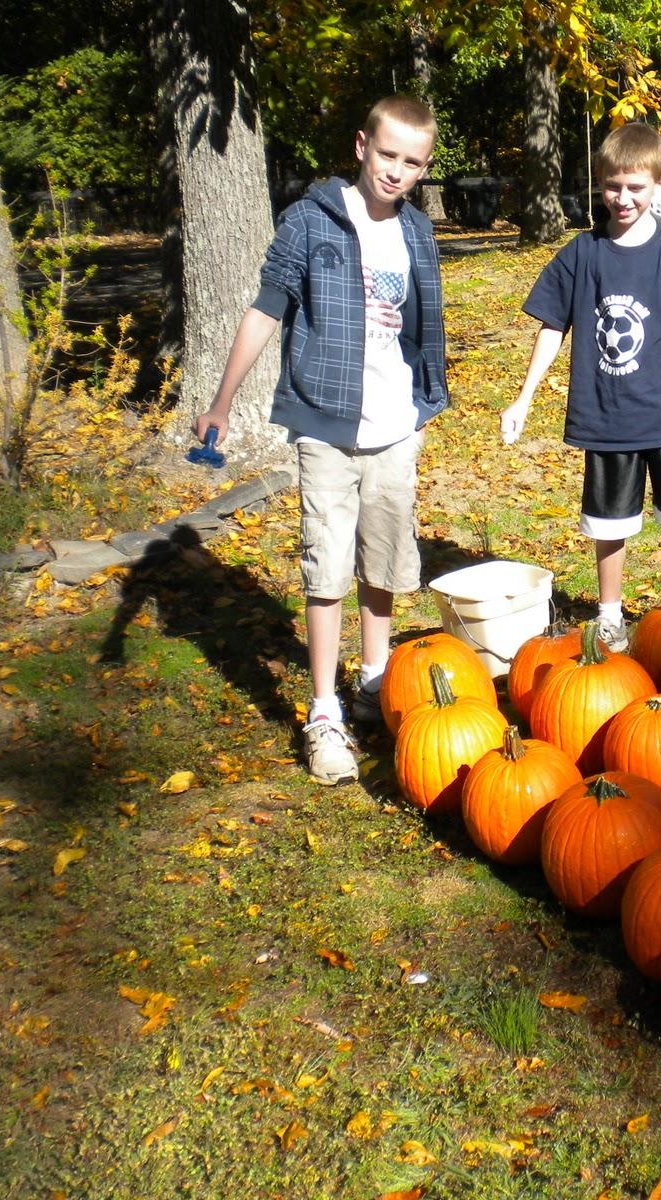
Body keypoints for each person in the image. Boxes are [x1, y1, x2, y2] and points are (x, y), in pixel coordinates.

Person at [193, 95, 446, 785]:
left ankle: (373, 680)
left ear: (424, 170)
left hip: (397, 428)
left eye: (412, 163)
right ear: (362, 146)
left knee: (384, 558)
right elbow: (266, 307)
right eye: (388, 155)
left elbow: (427, 323)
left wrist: (427, 400)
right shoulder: (310, 221)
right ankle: (325, 709)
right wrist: (221, 400)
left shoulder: (418, 233)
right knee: (326, 563)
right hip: (327, 426)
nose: (397, 171)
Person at [501, 122, 661, 650]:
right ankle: (610, 616)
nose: (624, 198)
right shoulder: (581, 255)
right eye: (613, 186)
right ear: (600, 185)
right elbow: (551, 327)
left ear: (660, 185)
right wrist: (524, 397)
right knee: (609, 525)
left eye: (636, 187)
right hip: (608, 419)